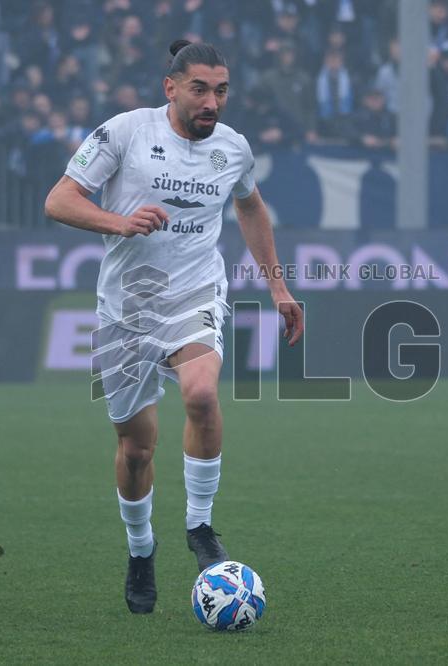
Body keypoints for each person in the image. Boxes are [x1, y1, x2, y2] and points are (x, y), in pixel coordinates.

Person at [43, 40, 304, 614]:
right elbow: (59, 200)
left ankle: (200, 525)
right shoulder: (125, 132)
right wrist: (119, 221)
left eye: (222, 90)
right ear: (171, 88)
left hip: (194, 293)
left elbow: (251, 207)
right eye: (201, 89)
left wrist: (278, 286)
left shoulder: (233, 148)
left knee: (203, 393)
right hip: (126, 308)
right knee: (136, 449)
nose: (213, 101)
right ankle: (141, 551)